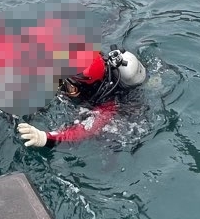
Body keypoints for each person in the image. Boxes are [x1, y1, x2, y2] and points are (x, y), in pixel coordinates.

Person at [17, 47, 147, 148]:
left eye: (68, 86)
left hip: (123, 115)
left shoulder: (108, 106)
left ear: (84, 89)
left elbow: (83, 132)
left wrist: (45, 138)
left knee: (108, 143)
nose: (62, 87)